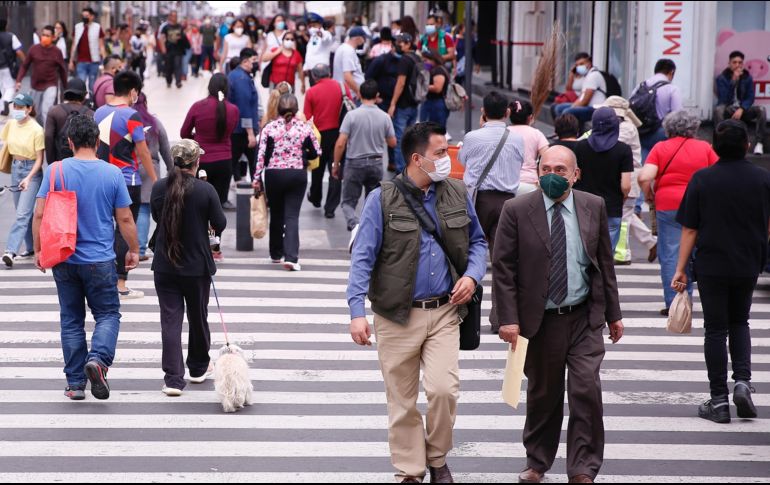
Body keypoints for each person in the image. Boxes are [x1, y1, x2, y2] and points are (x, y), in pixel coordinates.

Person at [347, 122, 487, 483]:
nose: (447, 159)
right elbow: (362, 257)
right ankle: (411, 469)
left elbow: (478, 243)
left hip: (443, 311)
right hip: (395, 315)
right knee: (402, 401)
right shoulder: (382, 198)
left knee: (444, 390)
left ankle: (437, 457)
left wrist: (471, 276)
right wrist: (356, 312)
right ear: (417, 159)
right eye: (440, 153)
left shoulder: (457, 192)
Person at [493, 144, 623, 485]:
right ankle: (537, 462)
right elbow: (503, 268)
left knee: (586, 391)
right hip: (541, 319)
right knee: (543, 395)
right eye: (546, 169)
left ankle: (583, 468)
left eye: (560, 170)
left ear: (575, 175)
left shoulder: (592, 205)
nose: (552, 175)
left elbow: (604, 265)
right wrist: (507, 318)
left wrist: (614, 313)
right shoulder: (517, 209)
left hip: (583, 317)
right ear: (537, 172)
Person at [32, 114, 138, 401]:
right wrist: (134, 249)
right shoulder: (112, 173)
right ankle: (99, 360)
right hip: (100, 260)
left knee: (71, 319)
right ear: (97, 141)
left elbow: (39, 213)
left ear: (69, 142)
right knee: (107, 314)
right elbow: (125, 218)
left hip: (64, 258)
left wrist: (39, 249)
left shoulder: (54, 171)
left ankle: (76, 384)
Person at [672, 119, 770, 424]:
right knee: (740, 320)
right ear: (746, 146)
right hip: (748, 262)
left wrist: (680, 271)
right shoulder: (762, 179)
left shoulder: (702, 179)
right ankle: (742, 381)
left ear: (714, 146)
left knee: (715, 329)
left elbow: (689, 229)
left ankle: (718, 400)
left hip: (712, 263)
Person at [150, 139, 226, 397]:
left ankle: (173, 379)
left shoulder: (160, 187)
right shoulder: (206, 191)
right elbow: (219, 222)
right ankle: (197, 367)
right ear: (196, 162)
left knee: (170, 321)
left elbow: (157, 217)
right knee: (198, 316)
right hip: (196, 266)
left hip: (165, 265)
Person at [638, 110, 718, 316]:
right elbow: (718, 173)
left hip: (668, 204)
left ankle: (675, 302)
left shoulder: (660, 147)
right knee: (695, 252)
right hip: (700, 204)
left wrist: (649, 195)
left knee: (670, 253)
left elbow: (644, 176)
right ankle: (696, 296)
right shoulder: (704, 148)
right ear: (694, 127)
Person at [459, 91, 524, 333]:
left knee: (468, 256)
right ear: (507, 113)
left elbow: (465, 161)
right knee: (503, 262)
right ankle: (500, 318)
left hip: (479, 201)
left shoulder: (473, 137)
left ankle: (464, 311)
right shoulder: (517, 139)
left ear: (483, 112)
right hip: (508, 203)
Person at [94, 70, 157, 299]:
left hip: (99, 178)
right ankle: (120, 284)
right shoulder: (132, 116)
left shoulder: (98, 112)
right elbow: (143, 151)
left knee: (103, 228)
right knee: (123, 228)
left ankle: (102, 280)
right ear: (132, 92)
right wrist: (155, 180)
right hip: (126, 179)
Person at [255, 93, 320, 272]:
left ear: (279, 109)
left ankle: (275, 253)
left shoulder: (269, 128)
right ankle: (291, 257)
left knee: (276, 212)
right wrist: (304, 155)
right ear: (296, 109)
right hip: (296, 174)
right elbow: (317, 152)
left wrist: (256, 179)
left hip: (274, 174)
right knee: (291, 215)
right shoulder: (304, 129)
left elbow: (261, 155)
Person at [591, 96, 656, 265]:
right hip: (620, 175)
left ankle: (622, 253)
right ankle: (651, 242)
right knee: (628, 215)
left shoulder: (626, 128)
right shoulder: (623, 126)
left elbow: (610, 144)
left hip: (630, 177)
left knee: (624, 217)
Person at [180, 73, 239, 260]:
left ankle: (197, 245)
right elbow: (230, 131)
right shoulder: (233, 109)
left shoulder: (198, 107)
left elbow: (184, 132)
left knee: (197, 206)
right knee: (217, 206)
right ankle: (215, 249)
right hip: (224, 162)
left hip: (202, 162)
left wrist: (198, 139)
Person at [333, 79, 396, 231]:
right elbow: (393, 142)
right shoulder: (384, 117)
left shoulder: (351, 116)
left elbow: (341, 142)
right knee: (372, 201)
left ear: (360, 94)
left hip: (355, 163)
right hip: (375, 162)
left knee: (348, 202)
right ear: (377, 95)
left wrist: (336, 164)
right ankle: (368, 229)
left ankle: (354, 224)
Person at [573, 107, 633, 251]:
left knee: (584, 251)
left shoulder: (580, 147)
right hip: (612, 207)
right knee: (606, 255)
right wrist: (622, 197)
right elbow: (625, 185)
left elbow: (575, 176)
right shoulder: (623, 150)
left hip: (584, 206)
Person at [1, 93, 44, 268]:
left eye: (20, 107)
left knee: (22, 214)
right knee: (24, 212)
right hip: (16, 169)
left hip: (31, 171)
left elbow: (40, 159)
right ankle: (32, 247)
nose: (16, 110)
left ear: (29, 109)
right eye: (15, 107)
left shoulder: (36, 130)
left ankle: (10, 251)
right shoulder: (10, 124)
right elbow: (5, 146)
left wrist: (28, 177)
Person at [303, 64, 348, 217]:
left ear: (314, 77)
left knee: (317, 168)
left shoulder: (311, 92)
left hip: (319, 135)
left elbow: (307, 118)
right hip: (339, 133)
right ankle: (330, 208)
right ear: (329, 73)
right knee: (336, 168)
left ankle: (316, 197)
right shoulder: (342, 88)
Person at [134, 92, 172, 262]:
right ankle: (141, 249)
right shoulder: (155, 122)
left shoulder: (128, 120)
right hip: (151, 169)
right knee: (144, 209)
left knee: (126, 209)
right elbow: (165, 147)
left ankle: (129, 246)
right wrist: (172, 170)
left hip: (130, 166)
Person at [714, 50, 767, 154]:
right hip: (729, 110)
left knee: (761, 109)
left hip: (743, 110)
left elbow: (750, 97)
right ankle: (719, 142)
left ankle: (759, 144)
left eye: (740, 62)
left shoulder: (747, 77)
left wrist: (742, 108)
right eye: (734, 62)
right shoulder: (722, 78)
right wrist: (733, 81)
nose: (737, 65)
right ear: (729, 63)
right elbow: (723, 99)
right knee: (718, 110)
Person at [15, 25, 67, 126]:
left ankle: (47, 135)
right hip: (36, 85)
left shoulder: (57, 51)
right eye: (43, 35)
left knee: (46, 110)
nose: (44, 37)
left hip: (51, 84)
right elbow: (25, 66)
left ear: (53, 38)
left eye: (47, 35)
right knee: (36, 113)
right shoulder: (34, 49)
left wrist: (66, 88)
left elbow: (62, 70)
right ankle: (40, 131)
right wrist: (18, 80)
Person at [632, 58, 682, 161]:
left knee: (643, 157)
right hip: (661, 132)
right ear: (671, 72)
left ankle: (643, 173)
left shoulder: (641, 86)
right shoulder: (672, 89)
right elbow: (678, 117)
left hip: (640, 130)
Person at [365, 36, 400, 171]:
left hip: (395, 101)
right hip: (383, 100)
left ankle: (393, 162)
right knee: (378, 132)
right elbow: (368, 76)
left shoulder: (401, 61)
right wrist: (375, 96)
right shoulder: (381, 60)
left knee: (393, 132)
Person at [227, 48, 260, 184]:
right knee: (253, 164)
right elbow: (244, 106)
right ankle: (258, 195)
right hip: (242, 132)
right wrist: (250, 133)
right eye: (253, 61)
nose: (255, 64)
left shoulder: (237, 75)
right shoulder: (241, 79)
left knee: (236, 162)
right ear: (245, 61)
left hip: (237, 129)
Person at [389, 33, 421, 173]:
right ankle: (410, 170)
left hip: (403, 105)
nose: (398, 44)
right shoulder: (417, 58)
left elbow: (401, 83)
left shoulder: (404, 60)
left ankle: (401, 172)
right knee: (411, 140)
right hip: (414, 103)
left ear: (408, 43)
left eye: (401, 42)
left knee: (400, 140)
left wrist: (393, 103)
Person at [552, 53, 606, 131]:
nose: (579, 67)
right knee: (558, 108)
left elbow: (585, 101)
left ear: (589, 64)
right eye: (577, 65)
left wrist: (572, 107)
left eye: (582, 64)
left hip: (595, 109)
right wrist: (574, 105)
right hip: (587, 106)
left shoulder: (593, 76)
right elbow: (581, 97)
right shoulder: (587, 76)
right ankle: (562, 132)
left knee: (568, 111)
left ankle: (569, 134)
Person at [44, 78, 93, 164]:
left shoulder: (54, 111)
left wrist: (51, 162)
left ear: (65, 93)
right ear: (85, 95)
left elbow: (48, 136)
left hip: (60, 162)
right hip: (84, 162)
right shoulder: (91, 114)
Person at [508, 99, 549, 194]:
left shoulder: (503, 132)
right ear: (530, 117)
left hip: (506, 183)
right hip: (530, 183)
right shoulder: (536, 134)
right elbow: (548, 156)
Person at [70, 7, 107, 94]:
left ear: (92, 16)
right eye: (83, 16)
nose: (84, 17)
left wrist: (105, 61)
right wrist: (71, 61)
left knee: (92, 85)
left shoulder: (97, 27)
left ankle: (92, 103)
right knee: (81, 83)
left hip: (94, 61)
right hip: (81, 61)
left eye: (87, 15)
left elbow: (101, 45)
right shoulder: (77, 27)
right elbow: (74, 45)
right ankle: (81, 103)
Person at [333, 26, 368, 100]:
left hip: (344, 92)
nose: (364, 41)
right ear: (358, 38)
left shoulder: (343, 48)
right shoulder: (348, 51)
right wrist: (358, 91)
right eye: (364, 38)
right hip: (350, 95)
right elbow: (347, 76)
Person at [420, 49, 451, 130]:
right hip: (430, 102)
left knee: (435, 130)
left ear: (433, 60)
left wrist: (423, 86)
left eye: (426, 60)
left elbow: (437, 88)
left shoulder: (438, 70)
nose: (424, 62)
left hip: (436, 104)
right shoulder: (431, 70)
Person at [0, 19, 25, 116]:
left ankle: (2, 109)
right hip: (7, 67)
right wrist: (25, 62)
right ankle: (7, 100)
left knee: (1, 88)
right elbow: (18, 51)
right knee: (10, 87)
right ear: (6, 26)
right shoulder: (11, 36)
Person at [159, 11, 190, 89]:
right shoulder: (165, 27)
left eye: (176, 16)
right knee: (169, 67)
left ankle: (178, 82)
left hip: (178, 50)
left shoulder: (180, 27)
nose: (174, 17)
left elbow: (184, 37)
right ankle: (169, 81)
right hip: (169, 50)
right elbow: (161, 38)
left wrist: (181, 38)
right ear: (170, 17)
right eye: (173, 16)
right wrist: (163, 48)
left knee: (178, 65)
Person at [303, 13, 334, 85]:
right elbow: (310, 53)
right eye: (310, 26)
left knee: (322, 92)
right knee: (314, 91)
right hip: (312, 69)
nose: (311, 28)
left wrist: (321, 34)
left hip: (321, 69)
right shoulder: (313, 36)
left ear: (320, 25)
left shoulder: (326, 33)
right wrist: (306, 67)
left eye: (314, 25)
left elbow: (326, 39)